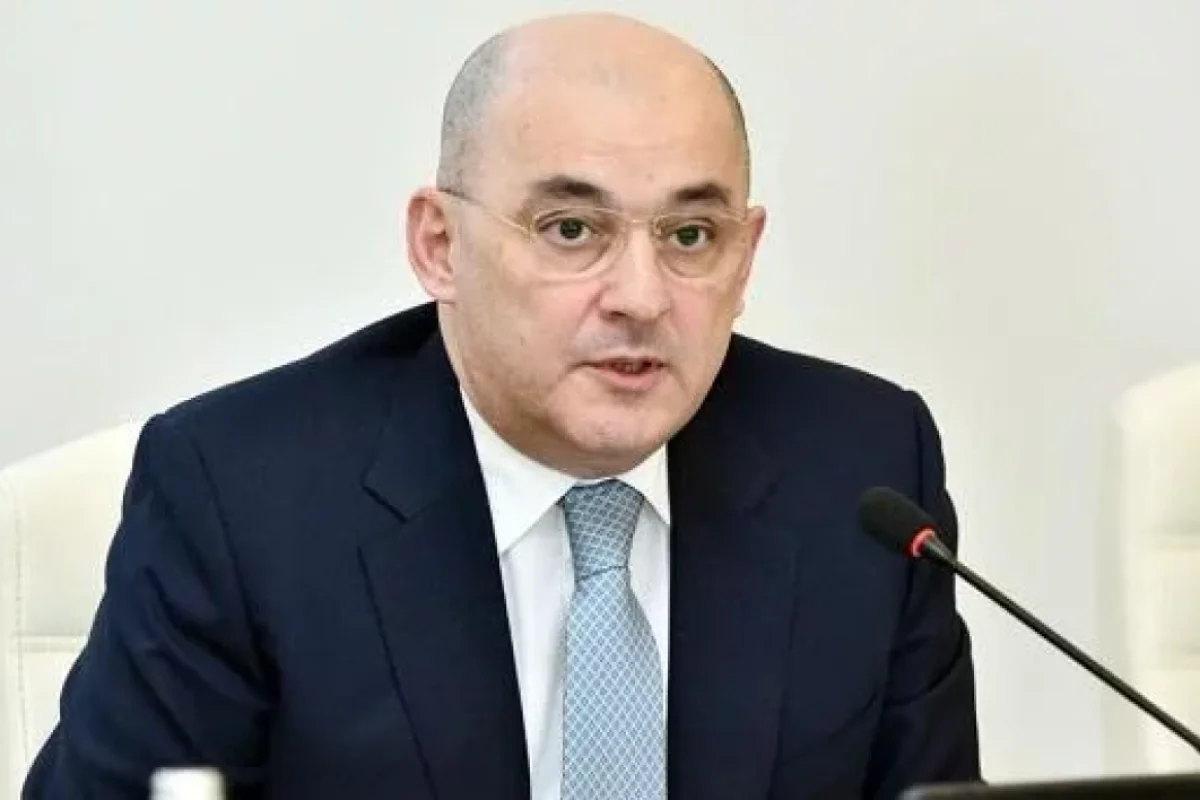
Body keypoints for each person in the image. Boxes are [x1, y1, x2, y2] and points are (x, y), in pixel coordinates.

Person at [23, 12, 980, 800]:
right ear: (439, 246)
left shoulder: (864, 475)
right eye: (571, 229)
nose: (642, 297)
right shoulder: (241, 499)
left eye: (691, 235)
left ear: (747, 254)